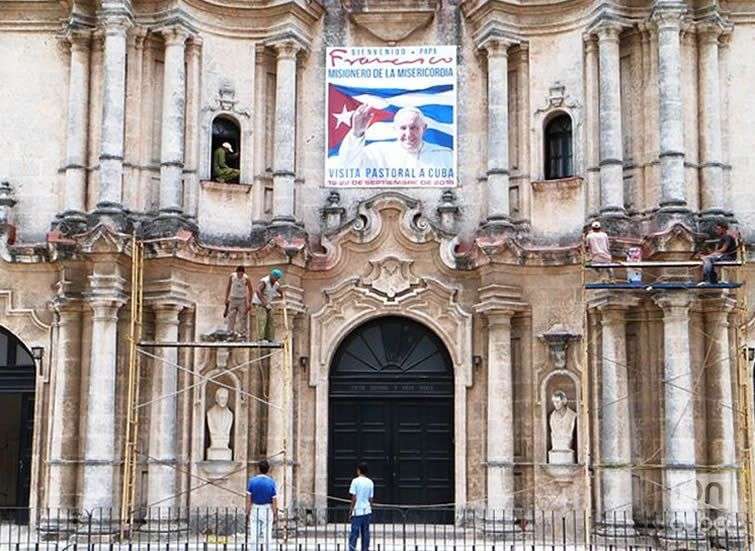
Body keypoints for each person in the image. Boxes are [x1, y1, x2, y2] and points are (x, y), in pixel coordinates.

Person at [336, 106, 453, 170]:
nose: (408, 134)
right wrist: (357, 133)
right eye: (403, 128)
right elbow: (347, 165)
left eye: (414, 128)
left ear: (424, 128)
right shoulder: (378, 152)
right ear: (395, 130)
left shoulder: (445, 155)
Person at [247, 459, 278, 549]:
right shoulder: (271, 482)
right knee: (267, 534)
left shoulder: (252, 481)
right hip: (267, 508)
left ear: (258, 469)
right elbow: (274, 500)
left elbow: (249, 499)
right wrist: (275, 513)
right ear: (268, 470)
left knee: (254, 533)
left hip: (255, 508)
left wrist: (248, 511)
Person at [348, 462, 374, 551]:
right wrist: (370, 507)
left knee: (354, 533)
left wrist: (351, 510)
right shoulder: (370, 482)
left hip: (357, 511)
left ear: (359, 470)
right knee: (366, 533)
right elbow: (371, 498)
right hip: (367, 511)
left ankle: (352, 549)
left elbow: (354, 498)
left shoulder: (355, 481)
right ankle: (365, 549)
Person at [253, 269, 283, 343]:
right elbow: (258, 291)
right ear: (272, 276)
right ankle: (260, 339)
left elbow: (280, 291)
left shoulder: (276, 284)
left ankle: (270, 338)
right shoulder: (265, 281)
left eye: (277, 278)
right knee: (262, 319)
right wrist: (264, 302)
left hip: (268, 304)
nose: (276, 279)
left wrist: (282, 296)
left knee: (271, 319)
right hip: (260, 303)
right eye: (275, 278)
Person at [224, 266, 253, 337]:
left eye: (241, 274)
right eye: (239, 273)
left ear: (243, 273)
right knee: (231, 315)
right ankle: (230, 332)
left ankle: (243, 333)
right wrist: (226, 298)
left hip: (242, 299)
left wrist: (249, 302)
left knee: (243, 316)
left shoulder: (246, 278)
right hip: (233, 298)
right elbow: (228, 287)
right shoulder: (232, 276)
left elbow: (250, 290)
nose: (240, 275)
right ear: (237, 272)